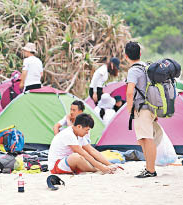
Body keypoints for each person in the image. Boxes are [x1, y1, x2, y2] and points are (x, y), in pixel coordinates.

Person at [125, 41, 163, 178]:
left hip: (142, 109)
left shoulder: (134, 70)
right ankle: (149, 167)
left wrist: (130, 110)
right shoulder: (147, 67)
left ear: (125, 56)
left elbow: (130, 92)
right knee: (143, 139)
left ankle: (151, 170)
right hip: (151, 107)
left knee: (147, 139)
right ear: (140, 54)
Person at [48, 114, 118, 175]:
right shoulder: (68, 134)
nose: (87, 133)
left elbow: (92, 150)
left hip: (68, 163)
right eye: (87, 130)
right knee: (77, 156)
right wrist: (101, 167)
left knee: (85, 156)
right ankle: (97, 169)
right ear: (79, 127)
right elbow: (83, 153)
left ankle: (102, 167)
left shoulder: (79, 135)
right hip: (56, 166)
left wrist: (109, 164)